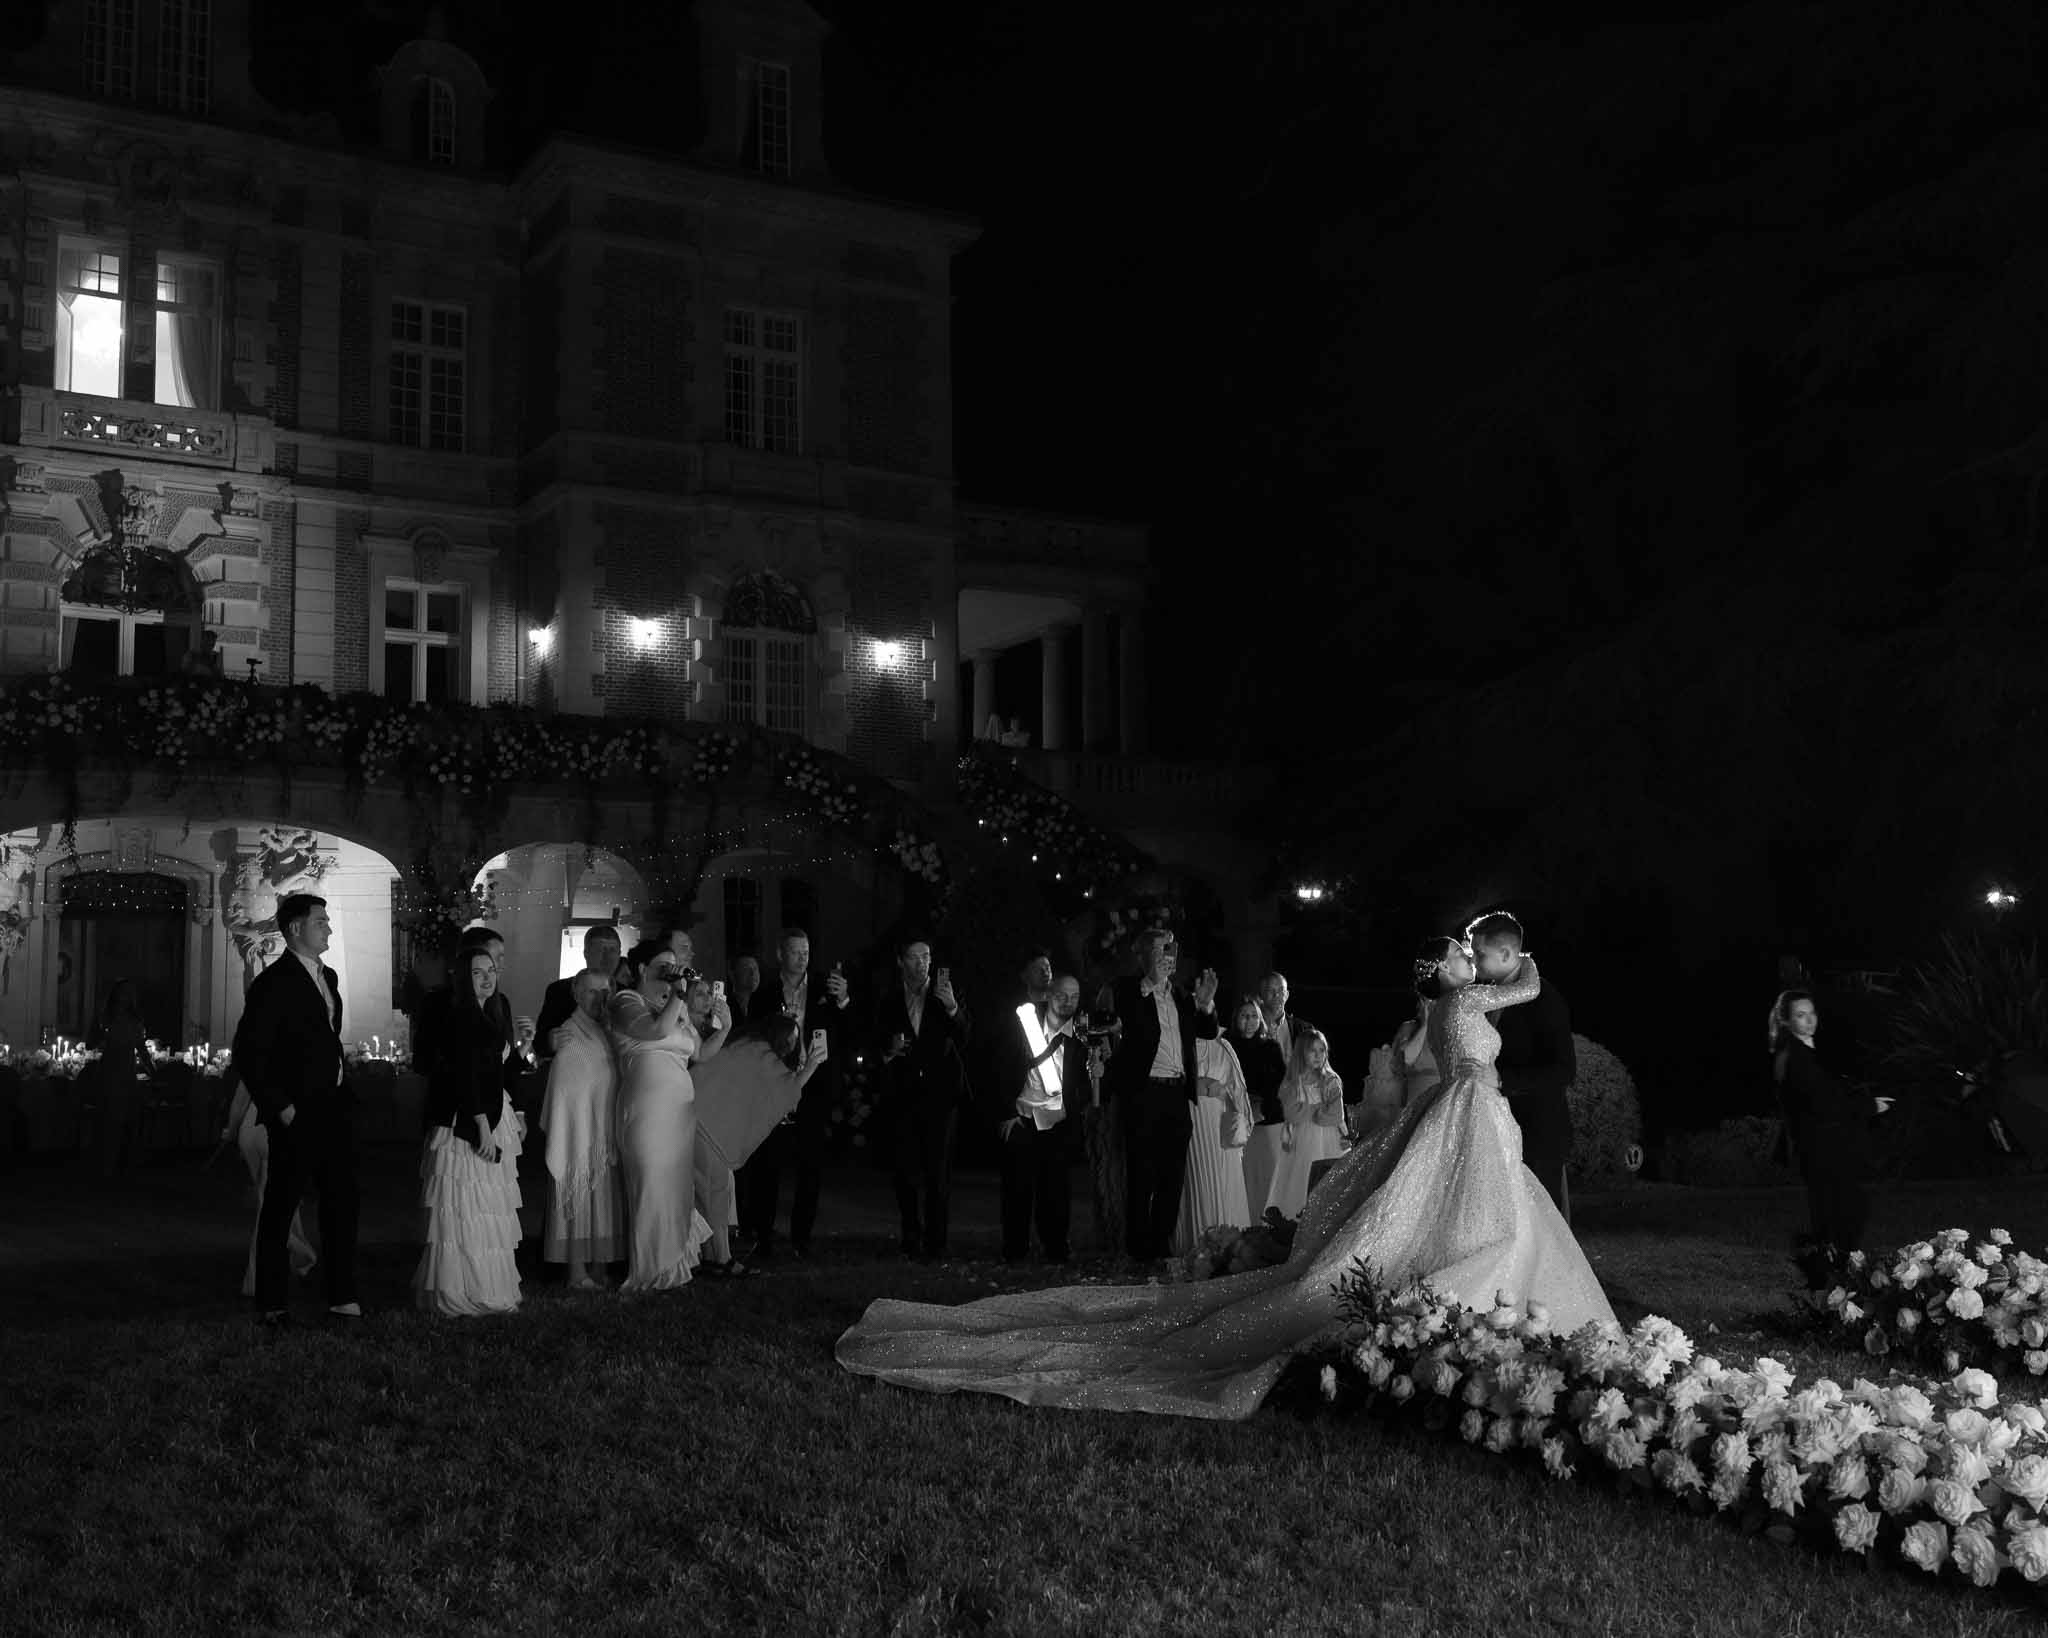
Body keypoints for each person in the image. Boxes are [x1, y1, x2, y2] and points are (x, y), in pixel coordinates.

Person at [834, 936, 1615, 1421]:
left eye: (1469, 952)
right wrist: (1520, 961)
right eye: (1460, 954)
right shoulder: (1468, 997)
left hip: (1470, 1109)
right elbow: (1529, 987)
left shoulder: (1449, 1004)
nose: (1467, 959)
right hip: (1470, 1105)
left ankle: (1472, 1275)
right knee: (1469, 1205)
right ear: (1452, 969)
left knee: (1464, 1199)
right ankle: (1474, 1277)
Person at [233, 893, 362, 1325]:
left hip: (334, 1109)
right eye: (320, 921)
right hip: (297, 1113)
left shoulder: (330, 977)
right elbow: (250, 1053)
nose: (328, 928)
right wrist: (282, 1108)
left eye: (327, 920)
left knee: (341, 1202)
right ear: (295, 929)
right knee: (281, 1206)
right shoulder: (273, 983)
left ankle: (342, 1295)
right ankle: (272, 1302)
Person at [413, 949, 524, 1317]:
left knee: (485, 1207)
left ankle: (485, 1285)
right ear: (463, 978)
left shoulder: (486, 1014)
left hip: (490, 1113)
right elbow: (465, 1075)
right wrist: (481, 1127)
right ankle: (465, 1288)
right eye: (477, 973)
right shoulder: (462, 1017)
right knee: (465, 1207)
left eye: (490, 971)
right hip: (468, 1120)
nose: (487, 978)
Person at [1099, 929, 1219, 1262]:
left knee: (1172, 1175)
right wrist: (1149, 981)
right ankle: (1139, 1249)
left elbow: (1206, 1032)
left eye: (1169, 949)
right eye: (1157, 950)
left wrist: (1206, 1003)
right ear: (1142, 955)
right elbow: (1125, 1023)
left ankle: (1160, 1244)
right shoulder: (1125, 990)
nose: (1166, 956)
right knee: (1142, 1174)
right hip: (1143, 1094)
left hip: (1176, 1095)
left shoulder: (1181, 996)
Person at [735, 927, 855, 1260]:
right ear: (780, 955)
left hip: (814, 1086)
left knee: (810, 1164)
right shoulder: (766, 993)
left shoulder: (824, 989)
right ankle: (764, 1235)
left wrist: (844, 1001)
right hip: (775, 1086)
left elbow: (847, 1033)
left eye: (806, 951)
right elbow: (754, 1039)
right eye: (795, 951)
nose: (802, 957)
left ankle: (802, 1238)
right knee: (768, 1164)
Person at [611, 940, 721, 1290]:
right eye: (663, 965)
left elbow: (699, 1053)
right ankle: (650, 1271)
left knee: (675, 1186)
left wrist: (726, 1028)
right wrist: (679, 996)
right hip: (646, 1111)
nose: (672, 971)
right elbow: (655, 1031)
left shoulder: (675, 1005)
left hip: (678, 1114)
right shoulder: (626, 1002)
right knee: (651, 1185)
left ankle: (675, 1267)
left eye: (675, 965)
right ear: (642, 969)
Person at [693, 1015, 831, 1276]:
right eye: (790, 1039)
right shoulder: (761, 1054)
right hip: (709, 1129)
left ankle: (712, 1256)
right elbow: (789, 1093)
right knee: (717, 1193)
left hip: (694, 1118)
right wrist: (811, 1065)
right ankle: (721, 1259)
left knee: (708, 1194)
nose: (792, 1045)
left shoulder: (744, 1045)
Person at [1770, 989, 1892, 1282]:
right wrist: (1869, 1106)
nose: (1809, 1020)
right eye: (1801, 1015)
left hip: (1825, 1143)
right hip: (1821, 1145)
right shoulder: (1797, 1059)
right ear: (1787, 1021)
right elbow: (1823, 1102)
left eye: (1812, 1014)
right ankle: (1825, 1269)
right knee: (1843, 1209)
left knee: (1840, 1208)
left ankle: (1828, 1266)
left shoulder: (1805, 1053)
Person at [1467, 911, 1575, 1217]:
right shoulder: (1487, 996)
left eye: (1479, 953)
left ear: (1505, 953)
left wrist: (1503, 1080)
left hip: (1538, 1131)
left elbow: (1565, 1069)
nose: (1473, 960)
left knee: (1543, 1222)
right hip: (1500, 1130)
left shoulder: (1544, 998)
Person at [875, 936, 970, 1260]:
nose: (921, 964)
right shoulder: (889, 1000)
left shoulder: (946, 995)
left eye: (926, 957)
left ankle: (936, 1241)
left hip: (940, 1096)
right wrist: (890, 1048)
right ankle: (910, 1236)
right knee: (905, 1171)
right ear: (901, 961)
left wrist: (953, 1007)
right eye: (914, 958)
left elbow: (965, 1037)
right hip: (904, 1094)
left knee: (937, 1171)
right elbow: (876, 1041)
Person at [539, 969, 622, 1291]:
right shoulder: (569, 1035)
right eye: (591, 992)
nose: (599, 998)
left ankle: (600, 1264)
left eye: (605, 991)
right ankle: (576, 1270)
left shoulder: (609, 1030)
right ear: (576, 993)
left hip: (606, 1129)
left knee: (606, 1196)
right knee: (577, 1191)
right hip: (577, 1133)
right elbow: (566, 1089)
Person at [998, 970, 1088, 1264]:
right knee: (1018, 1190)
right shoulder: (1025, 1027)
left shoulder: (1080, 1036)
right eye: (1062, 995)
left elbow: (1084, 1087)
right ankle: (1015, 1250)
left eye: (1074, 997)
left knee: (1057, 1191)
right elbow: (1000, 1068)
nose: (1068, 1002)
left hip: (1058, 1123)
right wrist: (1007, 1113)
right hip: (1023, 1118)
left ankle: (1056, 1249)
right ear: (1048, 994)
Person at [223, 1068, 317, 1297]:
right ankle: (264, 1276)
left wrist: (230, 1130)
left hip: (249, 1128)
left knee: (280, 1200)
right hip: (276, 1128)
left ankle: (299, 1261)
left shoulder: (258, 1052)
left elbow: (240, 1099)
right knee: (273, 1206)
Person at [1173, 1027, 1253, 1254]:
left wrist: (1217, 1090)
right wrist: (1202, 1085)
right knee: (1195, 1181)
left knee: (1223, 1183)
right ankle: (1195, 1247)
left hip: (1219, 1127)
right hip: (1188, 1121)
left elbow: (1237, 1090)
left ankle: (1230, 1246)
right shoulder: (1175, 1043)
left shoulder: (1223, 1047)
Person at [680, 976, 741, 1267]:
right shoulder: (685, 1030)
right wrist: (724, 1028)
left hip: (711, 1114)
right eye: (700, 993)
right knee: (709, 1185)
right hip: (694, 1116)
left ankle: (715, 1249)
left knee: (718, 1183)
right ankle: (719, 1255)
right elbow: (701, 1060)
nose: (707, 998)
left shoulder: (706, 1029)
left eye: (709, 993)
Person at [1265, 1028, 1347, 1217]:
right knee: (1302, 1178)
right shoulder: (1293, 1083)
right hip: (1302, 1139)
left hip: (1330, 1139)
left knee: (1330, 1178)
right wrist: (1317, 1110)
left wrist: (1310, 1111)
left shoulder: (1331, 1081)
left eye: (1322, 1050)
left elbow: (1335, 1114)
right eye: (1312, 1050)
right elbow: (1293, 1114)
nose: (1318, 1055)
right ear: (1301, 1052)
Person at [1228, 999, 1288, 1221]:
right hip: (1236, 1118)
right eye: (1244, 1016)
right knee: (1243, 1176)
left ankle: (1269, 1222)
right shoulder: (1227, 1044)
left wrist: (1263, 1109)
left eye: (1254, 1016)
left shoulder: (1270, 1047)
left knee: (1268, 1175)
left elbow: (1281, 1083)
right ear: (1236, 1019)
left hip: (1267, 1118)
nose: (1250, 1021)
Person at [88, 978, 150, 1177]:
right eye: (123, 994)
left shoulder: (135, 1021)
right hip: (109, 1072)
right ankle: (106, 1165)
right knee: (108, 1120)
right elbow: (90, 1043)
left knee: (125, 1121)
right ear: (117, 996)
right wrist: (102, 1035)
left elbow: (141, 1048)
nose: (126, 998)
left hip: (126, 1074)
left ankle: (122, 1165)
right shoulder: (105, 1018)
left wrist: (152, 1070)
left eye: (130, 994)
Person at [538, 925, 623, 1061]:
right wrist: (550, 1042)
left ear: (619, 954)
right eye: (599, 950)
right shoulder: (560, 991)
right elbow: (540, 1043)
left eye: (612, 950)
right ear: (586, 953)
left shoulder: (627, 994)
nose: (606, 957)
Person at [727, 955, 763, 1028]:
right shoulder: (725, 1005)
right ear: (732, 975)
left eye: (755, 968)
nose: (753, 974)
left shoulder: (765, 1003)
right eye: (746, 968)